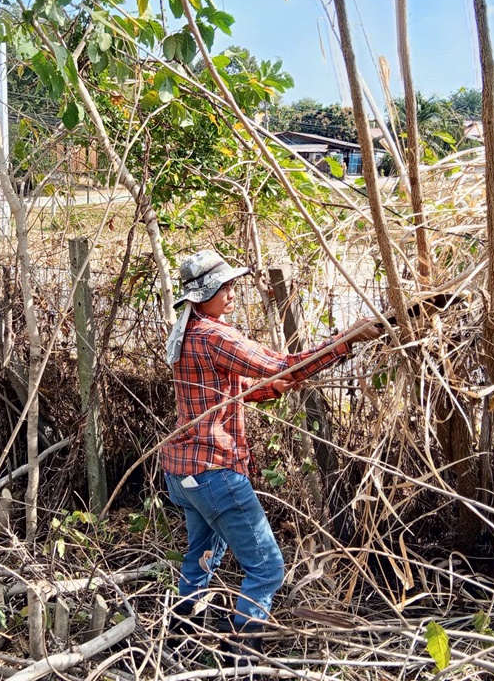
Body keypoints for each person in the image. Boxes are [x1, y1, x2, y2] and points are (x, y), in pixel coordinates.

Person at [161, 249, 381, 658]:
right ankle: (242, 653)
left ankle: (179, 638)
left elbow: (224, 390)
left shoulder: (188, 333)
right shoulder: (215, 336)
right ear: (202, 295)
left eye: (230, 284)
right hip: (214, 473)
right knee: (266, 567)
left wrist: (266, 388)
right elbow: (285, 365)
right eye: (222, 287)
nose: (230, 292)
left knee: (203, 554)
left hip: (182, 474)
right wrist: (350, 339)